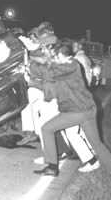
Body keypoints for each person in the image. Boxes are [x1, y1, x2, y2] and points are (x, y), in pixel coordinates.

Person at [31, 42, 111, 184]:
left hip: (76, 111)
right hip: (88, 109)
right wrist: (32, 82)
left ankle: (52, 166)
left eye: (55, 56)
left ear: (63, 56)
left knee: (46, 129)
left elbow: (45, 71)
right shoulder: (66, 67)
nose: (53, 58)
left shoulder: (69, 66)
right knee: (97, 143)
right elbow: (51, 87)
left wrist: (33, 55)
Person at [18, 27, 98, 172]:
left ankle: (80, 159)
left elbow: (48, 76)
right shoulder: (56, 55)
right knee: (67, 131)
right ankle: (61, 159)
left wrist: (31, 77)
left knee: (66, 130)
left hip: (64, 100)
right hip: (64, 99)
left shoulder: (59, 56)